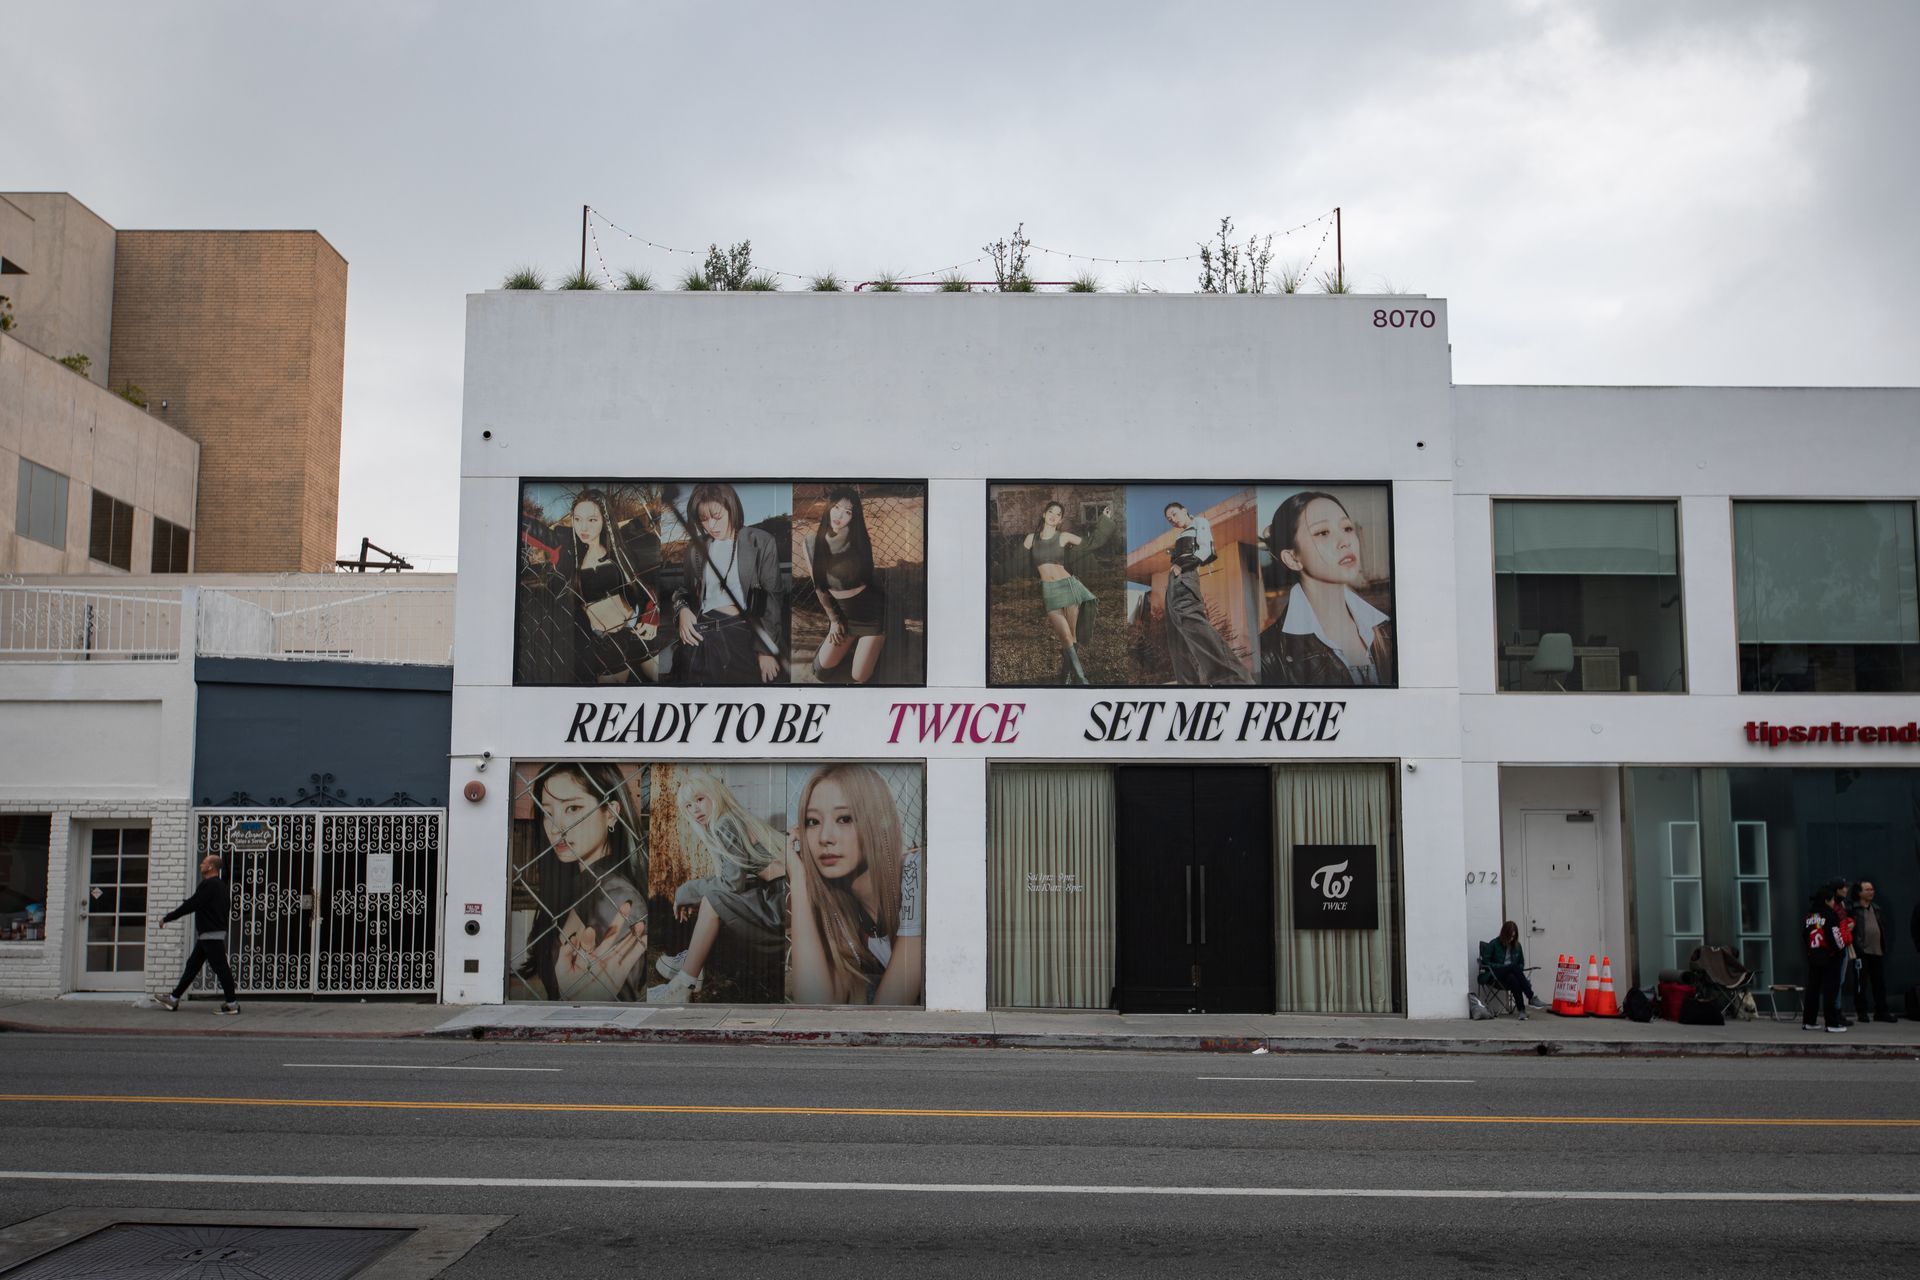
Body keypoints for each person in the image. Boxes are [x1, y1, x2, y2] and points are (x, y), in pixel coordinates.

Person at [648, 769, 790, 1004]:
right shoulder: (731, 820)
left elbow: (731, 884)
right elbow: (737, 880)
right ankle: (692, 966)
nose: (695, 809)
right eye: (689, 806)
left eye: (700, 799)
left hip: (782, 901)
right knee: (712, 897)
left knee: (713, 898)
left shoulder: (725, 823)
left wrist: (686, 891)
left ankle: (684, 983)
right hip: (782, 896)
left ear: (716, 795)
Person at [786, 764, 923, 1006]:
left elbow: (888, 1011)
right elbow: (814, 1006)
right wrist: (798, 880)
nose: (825, 837)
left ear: (879, 823)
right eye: (812, 822)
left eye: (845, 818)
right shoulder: (841, 913)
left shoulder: (917, 872)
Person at [513, 763, 649, 1002]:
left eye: (573, 808)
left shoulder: (616, 896)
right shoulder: (579, 886)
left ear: (611, 812)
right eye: (548, 812)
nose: (556, 828)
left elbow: (622, 1003)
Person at [1258, 491, 1395, 686]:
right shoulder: (1269, 655)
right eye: (1323, 532)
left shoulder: (1388, 628)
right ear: (1292, 558)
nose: (1345, 541)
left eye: (1347, 528)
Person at [549, 489, 665, 684]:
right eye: (577, 519)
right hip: (605, 641)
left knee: (662, 684)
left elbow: (648, 586)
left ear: (605, 521)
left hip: (636, 629)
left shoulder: (621, 552)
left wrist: (652, 614)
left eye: (592, 520)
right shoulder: (571, 558)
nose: (583, 527)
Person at [672, 483, 784, 684]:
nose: (711, 526)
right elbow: (684, 591)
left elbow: (772, 598)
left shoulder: (760, 541)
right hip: (700, 634)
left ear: (731, 508)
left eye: (717, 517)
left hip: (742, 633)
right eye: (704, 519)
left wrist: (765, 650)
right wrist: (682, 610)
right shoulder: (696, 549)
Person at [1020, 500, 1115, 685]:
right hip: (1049, 591)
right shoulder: (1031, 539)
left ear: (1060, 519)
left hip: (1069, 588)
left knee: (1071, 637)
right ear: (1044, 514)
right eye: (1050, 512)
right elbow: (1015, 562)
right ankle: (1080, 679)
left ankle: (1070, 677)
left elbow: (1091, 543)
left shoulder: (1063, 537)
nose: (1053, 515)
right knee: (1065, 636)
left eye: (1058, 514)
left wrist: (1104, 519)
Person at [1159, 502, 1252, 686]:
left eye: (1175, 514)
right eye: (1170, 520)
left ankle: (1232, 679)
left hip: (1185, 575)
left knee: (1194, 625)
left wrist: (1183, 565)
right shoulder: (1181, 534)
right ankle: (1189, 685)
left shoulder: (1199, 522)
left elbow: (1206, 550)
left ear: (1185, 510)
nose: (1173, 520)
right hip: (1174, 581)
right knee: (1176, 635)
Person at [808, 488, 888, 684]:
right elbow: (820, 587)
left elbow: (868, 578)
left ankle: (880, 635)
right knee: (821, 671)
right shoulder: (811, 542)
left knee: (859, 676)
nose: (840, 515)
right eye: (836, 507)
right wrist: (834, 621)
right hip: (843, 615)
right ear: (828, 508)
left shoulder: (858, 539)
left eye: (848, 511)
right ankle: (852, 643)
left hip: (870, 614)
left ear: (854, 516)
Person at [155, 853, 239, 1014]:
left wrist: (168, 918)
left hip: (210, 934)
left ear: (211, 867)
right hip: (210, 934)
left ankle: (232, 1004)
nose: (201, 865)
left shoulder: (209, 885)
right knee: (192, 966)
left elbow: (193, 904)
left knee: (221, 969)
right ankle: (173, 999)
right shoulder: (220, 886)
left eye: (204, 863)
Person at [1802, 883, 1848, 1032]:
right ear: (1827, 900)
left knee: (1813, 990)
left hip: (1814, 955)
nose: (1834, 902)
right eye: (1833, 899)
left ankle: (1809, 1021)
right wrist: (1841, 949)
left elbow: (1804, 935)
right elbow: (1835, 936)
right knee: (1831, 990)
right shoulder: (1829, 914)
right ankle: (1832, 1023)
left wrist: (1810, 951)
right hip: (1830, 957)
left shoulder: (1810, 915)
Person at [1851, 879, 1898, 1023]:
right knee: (1861, 984)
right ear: (1859, 893)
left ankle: (1881, 1012)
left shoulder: (1877, 908)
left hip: (1877, 951)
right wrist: (1857, 946)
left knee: (1879, 983)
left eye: (1872, 889)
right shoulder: (1854, 909)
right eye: (1867, 890)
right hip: (1862, 952)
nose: (1871, 892)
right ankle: (1862, 1012)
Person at [1483, 920, 1546, 1018]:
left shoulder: (1517, 946)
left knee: (1513, 977)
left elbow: (1521, 963)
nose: (1511, 939)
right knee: (1513, 967)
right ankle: (1531, 997)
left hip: (1510, 975)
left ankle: (1522, 1011)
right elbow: (1485, 962)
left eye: (1513, 936)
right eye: (1510, 936)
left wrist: (1515, 969)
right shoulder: (1494, 944)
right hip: (1496, 975)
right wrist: (1503, 967)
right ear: (1504, 934)